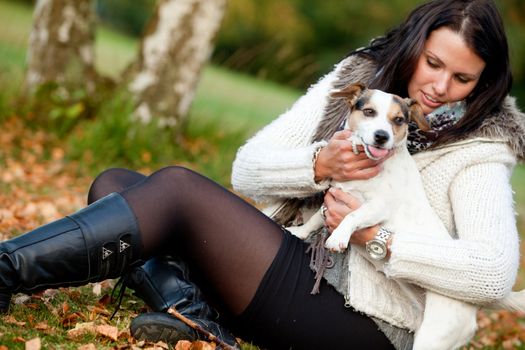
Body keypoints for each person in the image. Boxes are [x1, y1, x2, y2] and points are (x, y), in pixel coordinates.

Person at [0, 0, 523, 349]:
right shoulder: (358, 87)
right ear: (414, 45)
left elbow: (494, 272)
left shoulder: (478, 149)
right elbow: (246, 169)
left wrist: (374, 238)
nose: (439, 86)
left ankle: (5, 270)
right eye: (433, 63)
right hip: (298, 265)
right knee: (117, 183)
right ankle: (192, 314)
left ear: (483, 84)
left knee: (177, 189)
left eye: (462, 78)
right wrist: (319, 164)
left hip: (366, 320)